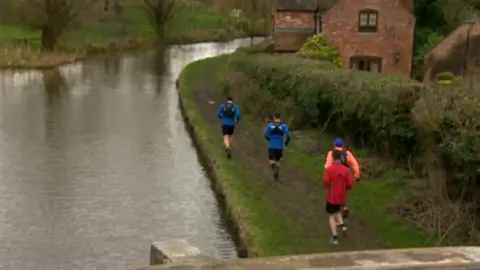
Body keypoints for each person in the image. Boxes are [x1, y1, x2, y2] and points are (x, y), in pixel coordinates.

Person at [324, 138, 360, 219]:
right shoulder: (347, 154)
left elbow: (327, 166)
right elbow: (355, 165)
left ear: (334, 145)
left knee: (333, 193)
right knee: (342, 192)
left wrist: (328, 174)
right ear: (342, 146)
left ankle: (336, 212)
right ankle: (343, 207)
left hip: (334, 177)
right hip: (345, 176)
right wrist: (357, 176)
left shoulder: (331, 153)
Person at [323, 150, 353, 244]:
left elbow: (325, 182)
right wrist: (344, 188)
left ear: (332, 157)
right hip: (341, 196)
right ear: (341, 158)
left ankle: (335, 237)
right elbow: (350, 184)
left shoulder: (329, 169)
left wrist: (329, 186)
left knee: (331, 215)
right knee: (337, 211)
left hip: (332, 196)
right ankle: (342, 225)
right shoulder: (346, 169)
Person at [264, 113, 291, 179]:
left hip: (271, 146)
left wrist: (268, 139)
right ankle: (277, 169)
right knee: (277, 161)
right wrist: (286, 142)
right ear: (280, 117)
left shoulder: (270, 125)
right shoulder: (284, 126)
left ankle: (274, 169)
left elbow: (265, 134)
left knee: (271, 160)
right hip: (279, 147)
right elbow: (288, 135)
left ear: (274, 117)